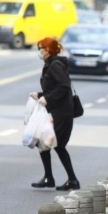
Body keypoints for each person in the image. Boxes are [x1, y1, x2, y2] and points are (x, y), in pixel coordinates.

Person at [30, 37, 80, 191]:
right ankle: (51, 178)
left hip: (62, 112)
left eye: (41, 48)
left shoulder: (55, 65)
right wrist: (40, 95)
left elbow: (63, 86)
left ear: (48, 50)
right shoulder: (51, 64)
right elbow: (55, 87)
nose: (39, 51)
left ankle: (70, 180)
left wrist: (47, 98)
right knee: (46, 143)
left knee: (53, 144)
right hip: (58, 111)